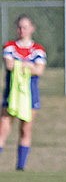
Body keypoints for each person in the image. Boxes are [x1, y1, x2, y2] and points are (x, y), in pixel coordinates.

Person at [1, 15, 46, 171]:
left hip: (31, 94)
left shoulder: (38, 49)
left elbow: (39, 70)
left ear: (32, 28)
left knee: (25, 128)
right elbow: (9, 65)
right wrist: (29, 66)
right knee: (4, 127)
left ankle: (21, 166)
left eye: (25, 27)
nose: (22, 30)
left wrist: (20, 64)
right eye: (19, 27)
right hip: (11, 93)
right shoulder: (10, 46)